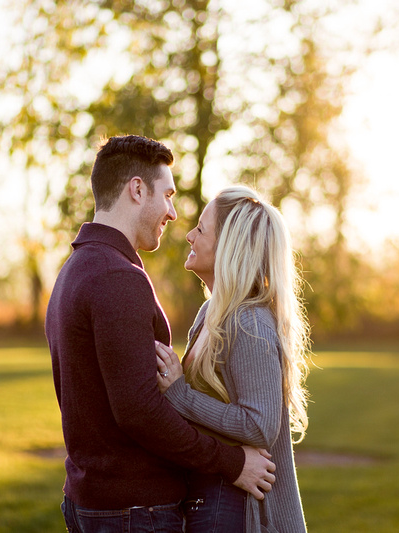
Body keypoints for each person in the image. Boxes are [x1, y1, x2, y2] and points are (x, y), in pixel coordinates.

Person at [45, 136, 276, 533]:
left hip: (93, 500)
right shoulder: (119, 277)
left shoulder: (74, 269)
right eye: (167, 195)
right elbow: (140, 411)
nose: (172, 213)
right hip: (133, 509)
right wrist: (231, 462)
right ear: (137, 189)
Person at [154, 185, 312, 532]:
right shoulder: (210, 313)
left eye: (201, 229)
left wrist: (181, 394)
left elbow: (260, 425)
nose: (190, 235)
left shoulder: (248, 321)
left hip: (245, 513)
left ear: (229, 246)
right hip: (210, 499)